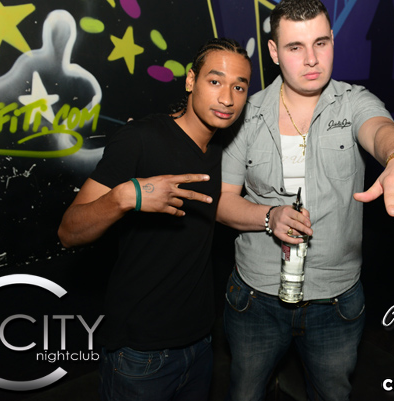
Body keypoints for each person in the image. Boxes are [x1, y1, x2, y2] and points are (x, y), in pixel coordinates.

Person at [216, 1, 394, 399]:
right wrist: (269, 216)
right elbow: (223, 201)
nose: (312, 59)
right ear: (273, 51)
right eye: (295, 47)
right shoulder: (247, 114)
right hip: (256, 297)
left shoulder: (353, 102)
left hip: (336, 300)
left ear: (333, 40)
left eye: (320, 43)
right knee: (245, 393)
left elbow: (379, 129)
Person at [57, 38, 252, 401]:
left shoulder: (223, 149)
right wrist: (124, 197)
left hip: (201, 343)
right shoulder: (141, 139)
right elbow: (69, 231)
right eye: (215, 81)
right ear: (191, 80)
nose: (227, 98)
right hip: (140, 354)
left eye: (239, 87)